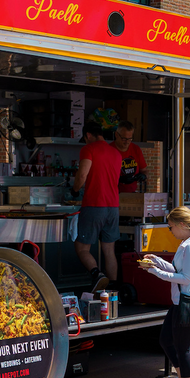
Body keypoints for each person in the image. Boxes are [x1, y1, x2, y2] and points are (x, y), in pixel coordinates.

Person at [141, 206, 190, 378]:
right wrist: (158, 262)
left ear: (181, 225)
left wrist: (156, 272)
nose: (170, 231)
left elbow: (185, 278)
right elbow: (178, 270)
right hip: (180, 302)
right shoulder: (186, 243)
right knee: (166, 340)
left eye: (170, 227)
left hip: (188, 302)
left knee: (182, 348)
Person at [72, 120, 122, 291]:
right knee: (109, 250)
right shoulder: (116, 153)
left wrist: (74, 190)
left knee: (82, 248)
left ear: (88, 135)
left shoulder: (88, 149)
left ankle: (97, 274)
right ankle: (114, 291)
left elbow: (82, 175)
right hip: (113, 207)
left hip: (94, 205)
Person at [110, 120, 148, 194]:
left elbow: (145, 171)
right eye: (124, 138)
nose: (127, 142)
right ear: (116, 135)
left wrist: (143, 176)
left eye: (130, 138)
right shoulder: (109, 150)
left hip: (131, 193)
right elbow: (103, 177)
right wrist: (119, 179)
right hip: (112, 194)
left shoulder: (136, 149)